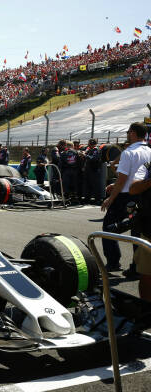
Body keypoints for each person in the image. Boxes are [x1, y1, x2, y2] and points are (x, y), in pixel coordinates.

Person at [101, 122, 151, 276]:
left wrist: (110, 198)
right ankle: (137, 267)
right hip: (143, 195)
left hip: (125, 195)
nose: (127, 135)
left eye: (129, 132)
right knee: (138, 231)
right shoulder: (149, 151)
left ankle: (113, 262)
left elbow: (123, 178)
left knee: (108, 228)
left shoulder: (129, 152)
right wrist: (115, 184)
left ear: (133, 133)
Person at [129, 158, 151, 301]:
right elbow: (133, 188)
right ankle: (146, 312)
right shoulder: (147, 166)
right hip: (149, 232)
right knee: (147, 275)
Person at [83, 139, 103, 205]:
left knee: (95, 185)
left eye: (89, 143)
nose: (88, 144)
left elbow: (94, 158)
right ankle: (87, 199)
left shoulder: (96, 150)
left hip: (94, 170)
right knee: (88, 185)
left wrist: (85, 155)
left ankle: (98, 200)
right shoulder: (88, 150)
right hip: (88, 170)